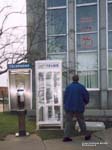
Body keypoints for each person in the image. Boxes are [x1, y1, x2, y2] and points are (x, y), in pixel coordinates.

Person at [63, 74, 91, 142]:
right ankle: (86, 135)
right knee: (81, 121)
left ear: (72, 79)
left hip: (69, 107)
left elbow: (65, 97)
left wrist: (65, 104)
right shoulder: (81, 87)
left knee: (68, 122)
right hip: (79, 107)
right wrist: (85, 103)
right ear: (78, 79)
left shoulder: (68, 87)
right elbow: (86, 97)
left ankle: (66, 137)